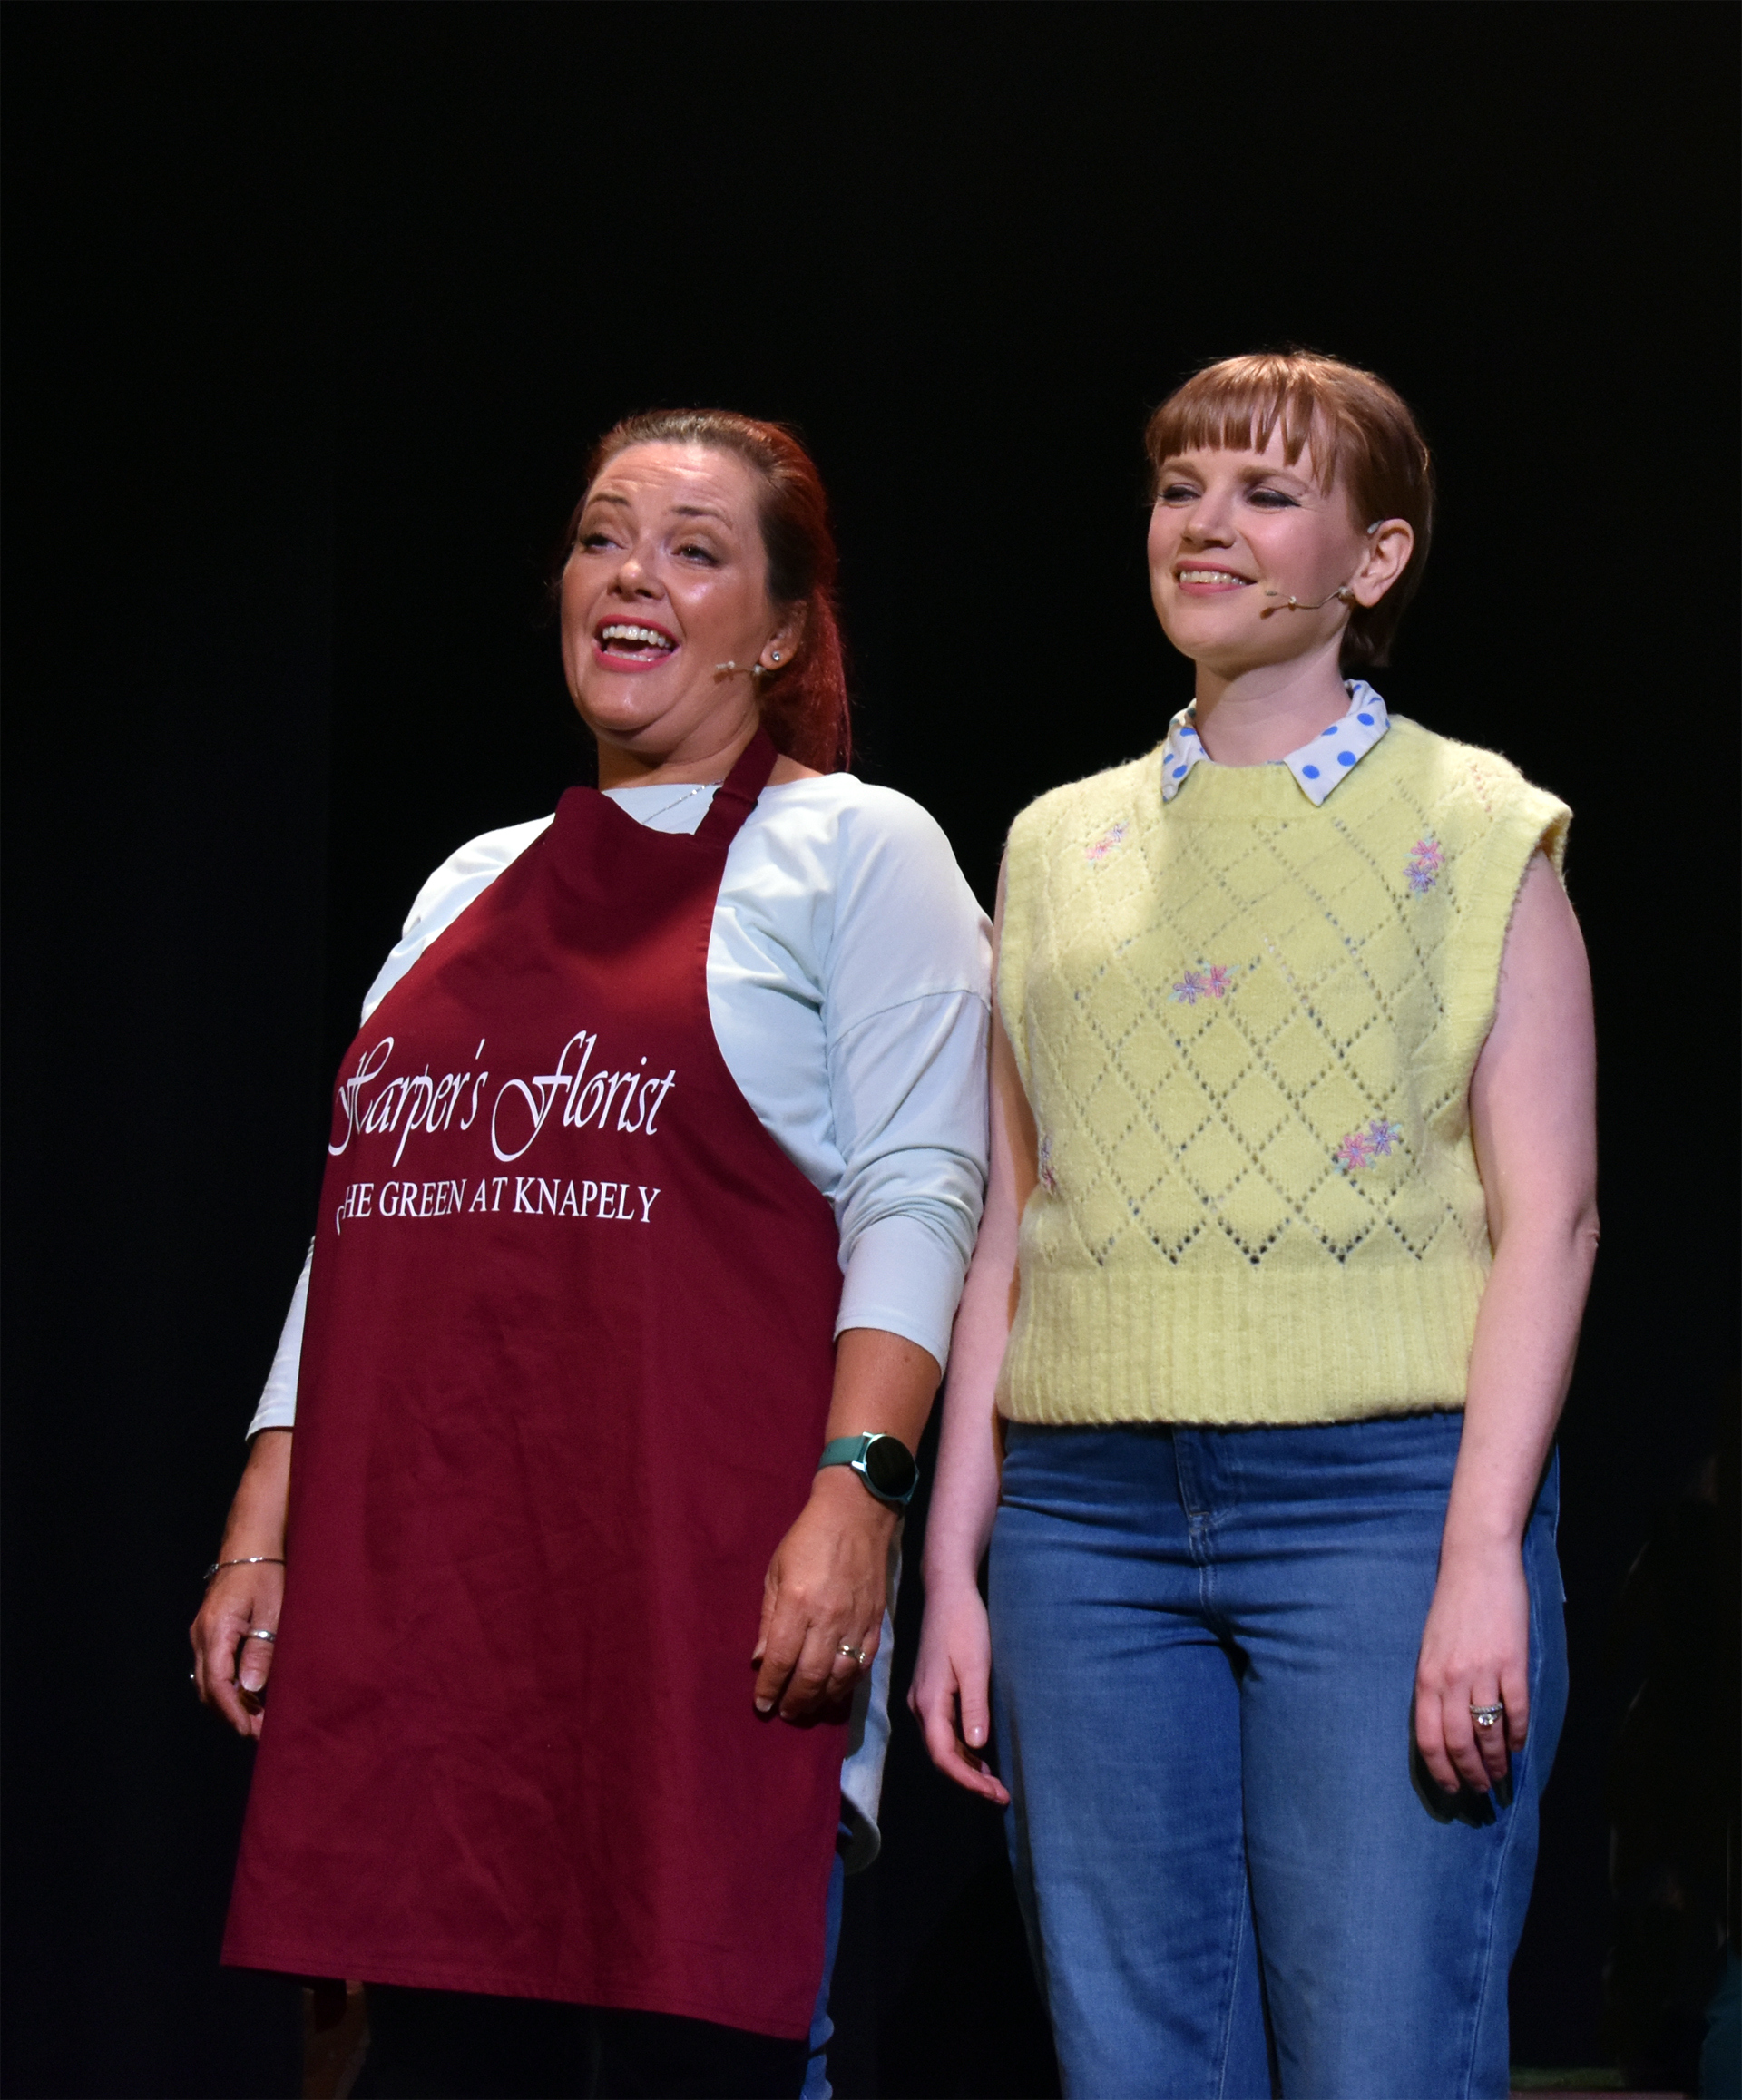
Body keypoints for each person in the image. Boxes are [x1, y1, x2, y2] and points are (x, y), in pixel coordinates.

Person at [191, 409, 991, 2100]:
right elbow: (358, 1217)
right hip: (433, 1609)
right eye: (602, 537)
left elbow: (922, 1197)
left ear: (783, 630)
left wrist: (857, 1498)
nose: (632, 577)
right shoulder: (469, 881)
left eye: (695, 551)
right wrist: (265, 1519)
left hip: (697, 1603)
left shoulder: (859, 851)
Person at [911, 352, 1598, 2100]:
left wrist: (1481, 1556)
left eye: (1267, 494)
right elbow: (1011, 1228)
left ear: (1372, 559)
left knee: (1380, 2061)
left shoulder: (1479, 824)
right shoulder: (1056, 844)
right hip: (1085, 1525)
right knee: (1134, 2070)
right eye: (1181, 488)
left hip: (1379, 1509)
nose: (1205, 524)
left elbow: (1554, 1221)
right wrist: (954, 1564)